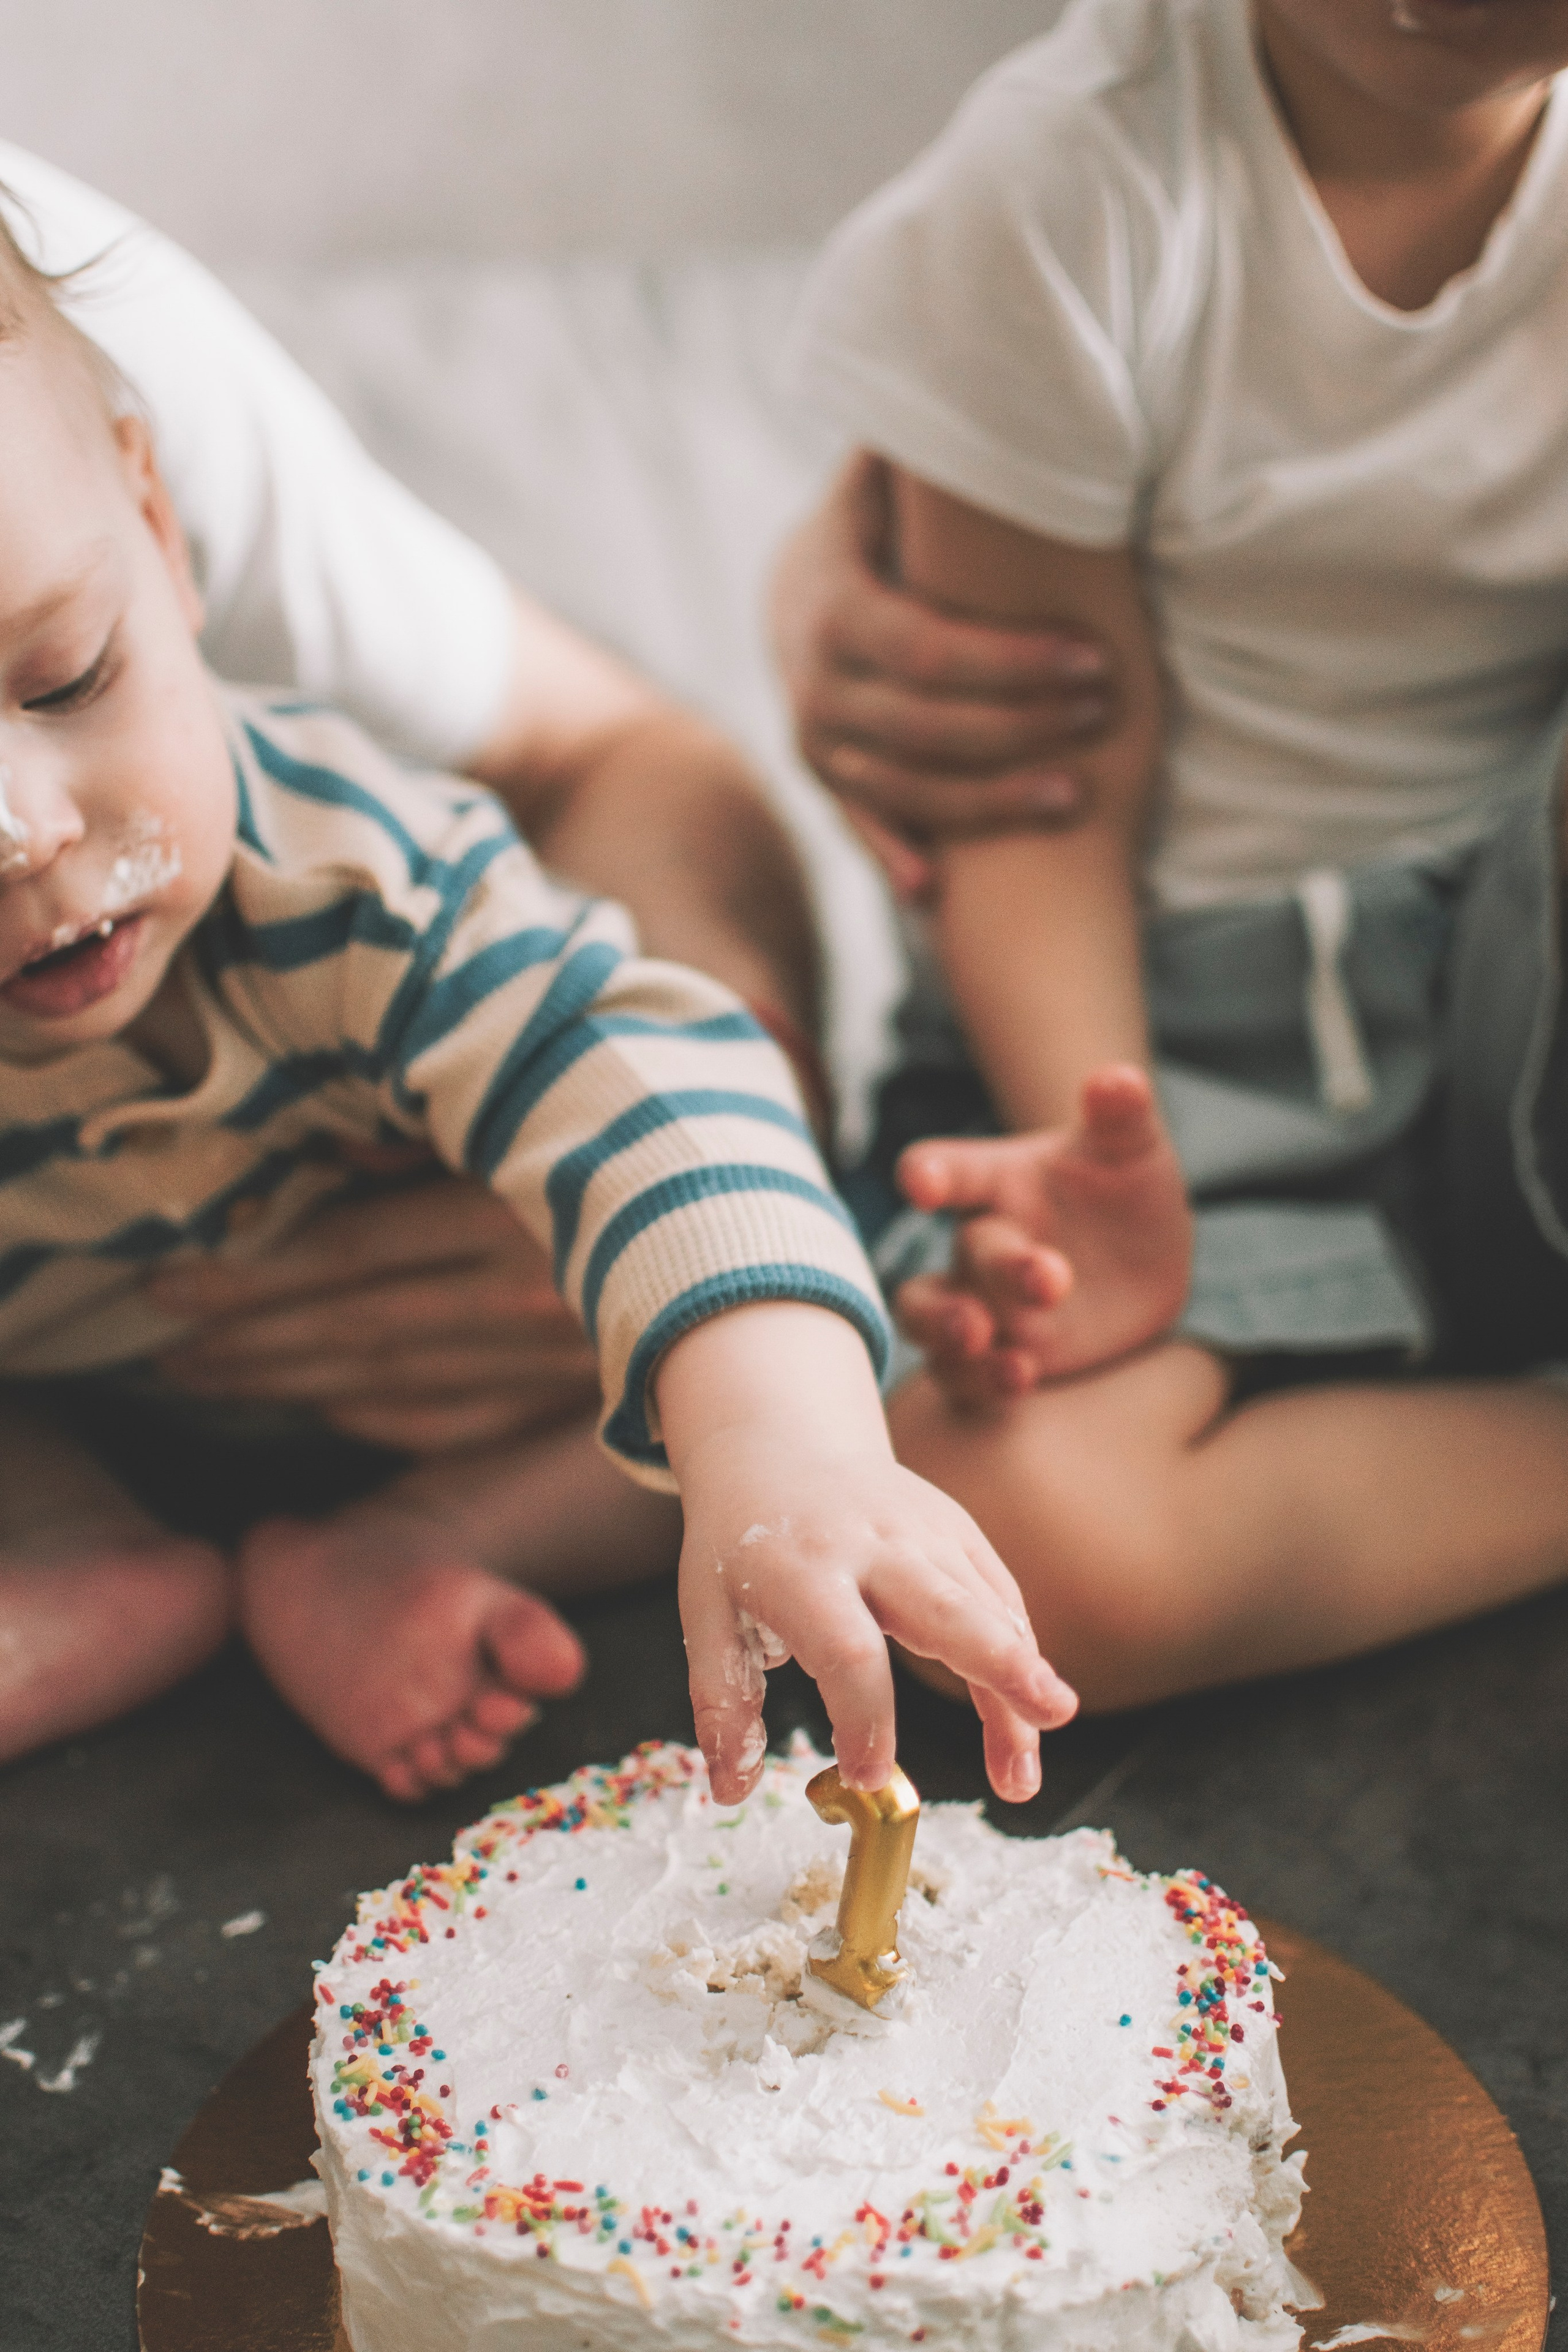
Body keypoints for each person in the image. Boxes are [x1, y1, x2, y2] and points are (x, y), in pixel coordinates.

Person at [0, 220, 1079, 1804]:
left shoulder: (345, 874)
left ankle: (408, 1539)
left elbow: (645, 1079)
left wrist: (794, 1457)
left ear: (161, 532)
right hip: (88, 1395)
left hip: (497, 1396)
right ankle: (67, 1546)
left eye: (66, 677)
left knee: (763, 1368)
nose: (27, 828)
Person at [779, 0, 1568, 1709]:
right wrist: (1093, 1153)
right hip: (1165, 1030)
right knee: (1000, 1541)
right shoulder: (1076, 182)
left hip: (1523, 968)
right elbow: (1029, 765)